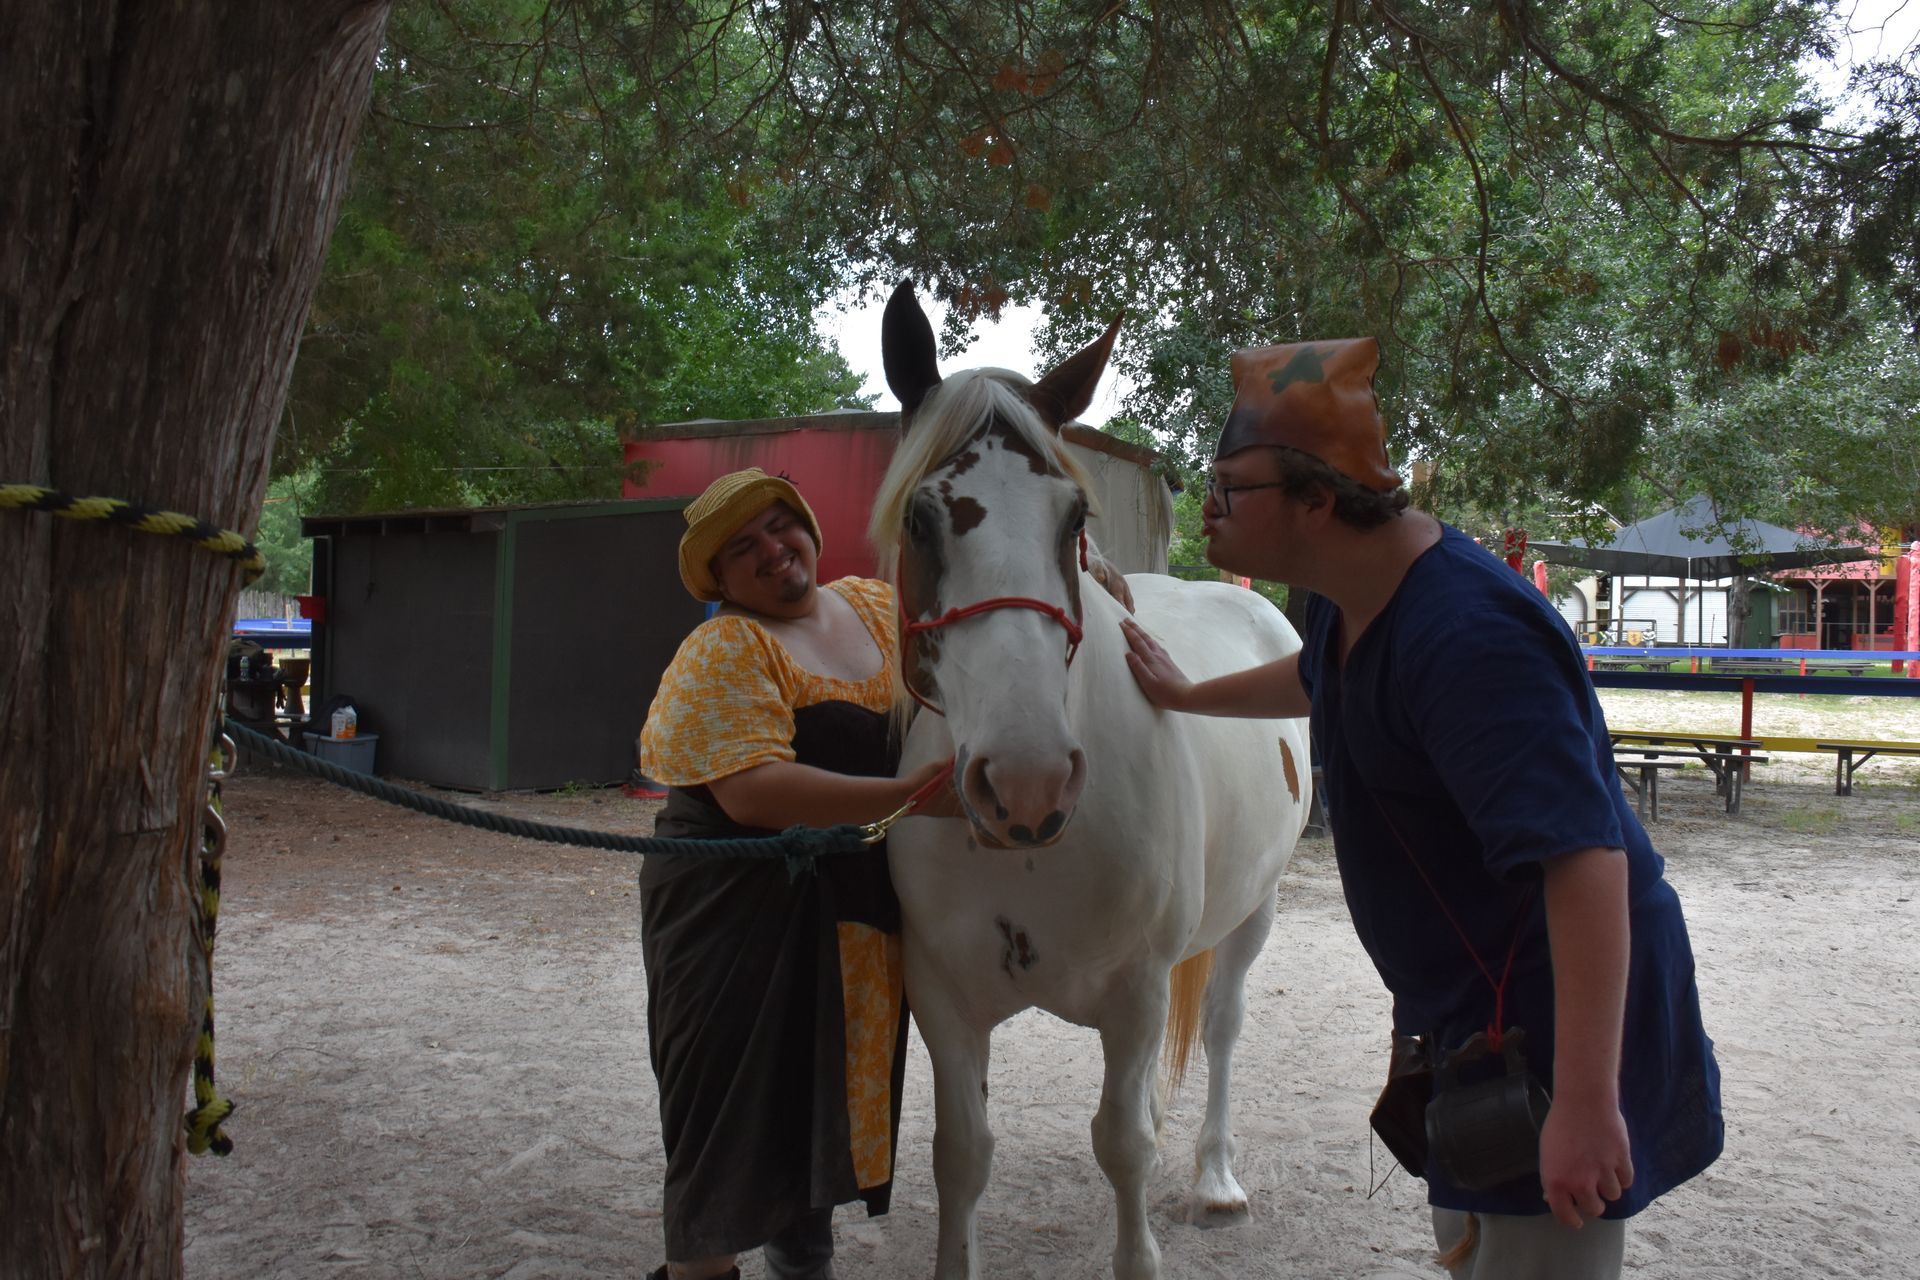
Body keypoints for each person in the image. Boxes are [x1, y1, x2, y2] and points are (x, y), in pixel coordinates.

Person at [1120, 340, 1722, 1279]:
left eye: (1231, 487)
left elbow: (1586, 860)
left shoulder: (1469, 638)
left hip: (1556, 1021)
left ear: (1318, 501)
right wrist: (1190, 694)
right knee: (1474, 1247)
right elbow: (1321, 677)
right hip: (1474, 1018)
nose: (1209, 507)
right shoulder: (1347, 597)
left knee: (1531, 1260)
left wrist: (1585, 1102)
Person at [636, 466, 1129, 1280]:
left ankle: (804, 1263)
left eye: (779, 527)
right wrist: (911, 798)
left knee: (824, 1098)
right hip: (735, 910)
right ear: (719, 580)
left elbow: (976, 608)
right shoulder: (726, 645)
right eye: (742, 548)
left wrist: (1087, 568)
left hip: (849, 899)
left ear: (809, 530)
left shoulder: (869, 605)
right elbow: (753, 792)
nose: (772, 551)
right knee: (727, 1109)